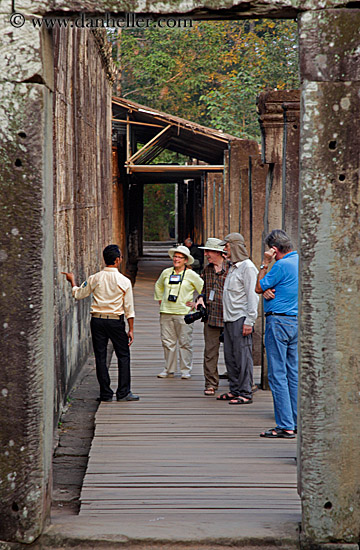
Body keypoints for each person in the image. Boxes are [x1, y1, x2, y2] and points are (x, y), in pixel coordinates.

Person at [62, 244, 139, 403]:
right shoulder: (124, 281)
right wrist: (130, 329)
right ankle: (123, 392)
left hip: (97, 321)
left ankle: (106, 393)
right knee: (123, 355)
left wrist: (72, 281)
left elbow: (78, 294)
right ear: (117, 260)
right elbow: (129, 309)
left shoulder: (94, 278)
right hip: (115, 321)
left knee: (100, 356)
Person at [255, 229, 298, 439]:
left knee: (277, 374)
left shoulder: (280, 265)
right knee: (294, 373)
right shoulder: (300, 261)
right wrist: (268, 290)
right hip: (297, 322)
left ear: (274, 249)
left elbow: (257, 286)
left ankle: (285, 425)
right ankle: (297, 420)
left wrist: (265, 263)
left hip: (278, 321)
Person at [217, 233, 259, 405]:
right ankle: (235, 389)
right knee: (230, 356)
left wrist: (250, 320)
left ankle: (245, 392)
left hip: (240, 318)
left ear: (234, 247)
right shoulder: (233, 268)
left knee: (243, 356)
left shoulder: (248, 268)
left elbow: (252, 296)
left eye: (226, 247)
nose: (224, 250)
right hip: (229, 318)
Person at [154, 245, 204, 379]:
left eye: (180, 257)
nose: (176, 259)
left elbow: (203, 288)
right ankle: (168, 369)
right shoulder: (166, 272)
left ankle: (185, 370)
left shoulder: (191, 275)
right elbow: (158, 285)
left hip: (184, 313)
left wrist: (197, 302)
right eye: (175, 256)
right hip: (166, 311)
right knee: (167, 342)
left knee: (185, 342)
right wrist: (160, 298)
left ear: (186, 260)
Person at [195, 238, 230, 395]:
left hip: (230, 316)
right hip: (211, 316)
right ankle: (210, 383)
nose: (206, 254)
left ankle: (238, 381)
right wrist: (200, 298)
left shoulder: (232, 269)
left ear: (220, 253)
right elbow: (204, 289)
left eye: (209, 251)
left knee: (234, 352)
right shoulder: (207, 270)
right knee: (210, 352)